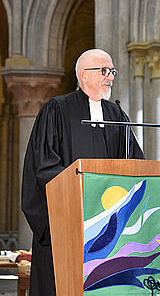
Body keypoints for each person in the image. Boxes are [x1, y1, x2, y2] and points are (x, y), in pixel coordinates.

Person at [21, 49, 144, 296]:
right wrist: (85, 188)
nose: (110, 76)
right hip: (69, 220)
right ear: (82, 75)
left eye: (112, 71)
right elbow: (44, 164)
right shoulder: (56, 109)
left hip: (109, 223)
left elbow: (134, 161)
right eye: (103, 71)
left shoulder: (116, 113)